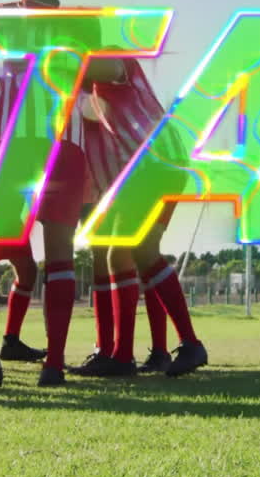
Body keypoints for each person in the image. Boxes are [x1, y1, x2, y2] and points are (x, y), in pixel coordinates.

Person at [0, 0, 124, 390]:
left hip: (18, 145)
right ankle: (55, 365)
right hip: (66, 148)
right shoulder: (75, 28)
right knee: (60, 254)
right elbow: (116, 70)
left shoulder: (4, 22)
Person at [72, 56, 208, 377]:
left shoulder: (117, 64)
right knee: (130, 255)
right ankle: (137, 353)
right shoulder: (93, 95)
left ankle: (175, 346)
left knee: (132, 253)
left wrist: (54, 61)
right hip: (162, 166)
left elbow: (101, 68)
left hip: (154, 164)